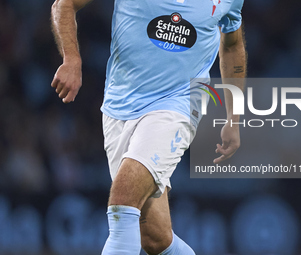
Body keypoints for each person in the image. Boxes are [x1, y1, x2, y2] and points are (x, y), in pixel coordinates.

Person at [51, 0, 246, 254]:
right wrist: (71, 59)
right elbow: (64, 4)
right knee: (154, 238)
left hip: (180, 103)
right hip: (118, 106)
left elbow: (232, 46)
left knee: (123, 201)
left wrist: (234, 118)